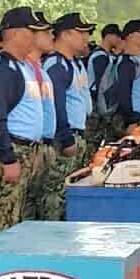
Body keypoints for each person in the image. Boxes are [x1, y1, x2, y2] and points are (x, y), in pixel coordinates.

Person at [0, 6, 53, 237]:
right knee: (4, 219)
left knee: (18, 215)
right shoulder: (3, 67)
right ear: (14, 33)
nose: (35, 36)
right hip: (13, 148)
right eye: (31, 31)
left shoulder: (23, 67)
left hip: (27, 150)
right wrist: (7, 158)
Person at [39, 13, 95, 220]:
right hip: (65, 138)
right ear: (65, 35)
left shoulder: (73, 63)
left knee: (69, 193)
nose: (86, 38)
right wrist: (66, 138)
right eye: (81, 33)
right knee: (56, 194)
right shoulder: (56, 65)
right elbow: (56, 106)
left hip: (77, 134)